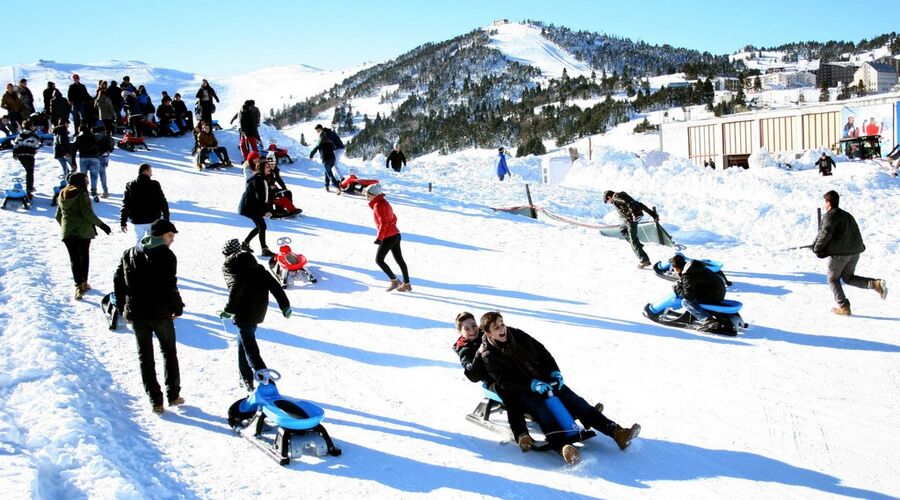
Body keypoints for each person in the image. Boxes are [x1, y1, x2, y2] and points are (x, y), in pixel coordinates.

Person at [477, 312, 640, 464]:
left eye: (502, 324)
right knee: (543, 411)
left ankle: (616, 432)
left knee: (577, 402)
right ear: (488, 333)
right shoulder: (488, 354)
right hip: (521, 390)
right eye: (496, 327)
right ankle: (563, 447)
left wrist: (555, 372)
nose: (502, 329)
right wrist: (531, 385)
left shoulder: (516, 334)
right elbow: (505, 381)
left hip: (542, 378)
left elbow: (542, 352)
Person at [113, 219, 184, 413]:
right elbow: (170, 286)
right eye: (170, 236)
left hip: (136, 313)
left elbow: (118, 282)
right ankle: (173, 394)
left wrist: (122, 308)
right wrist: (178, 309)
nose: (172, 240)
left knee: (145, 357)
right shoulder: (167, 256)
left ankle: (156, 400)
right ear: (160, 235)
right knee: (169, 352)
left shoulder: (129, 253)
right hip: (160, 313)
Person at [219, 238, 292, 391]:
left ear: (226, 254)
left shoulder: (230, 266)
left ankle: (264, 378)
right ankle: (245, 378)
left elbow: (235, 288)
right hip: (258, 311)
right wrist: (285, 305)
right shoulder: (257, 267)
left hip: (242, 312)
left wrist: (228, 310)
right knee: (243, 345)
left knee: (250, 347)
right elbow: (275, 286)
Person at [452, 312, 532, 450]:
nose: (472, 330)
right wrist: (478, 353)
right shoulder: (465, 349)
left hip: (510, 371)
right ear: (460, 331)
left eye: (473, 325)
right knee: (510, 397)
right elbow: (473, 375)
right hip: (492, 381)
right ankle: (521, 434)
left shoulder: (486, 332)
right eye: (466, 328)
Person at [812, 190, 887, 315]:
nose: (824, 205)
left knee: (833, 279)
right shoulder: (847, 215)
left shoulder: (830, 215)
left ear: (828, 202)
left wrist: (818, 248)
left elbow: (825, 233)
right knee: (848, 277)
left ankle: (844, 306)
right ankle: (875, 284)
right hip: (854, 252)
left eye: (825, 202)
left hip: (840, 255)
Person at [55, 172, 112, 299]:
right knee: (84, 256)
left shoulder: (62, 193)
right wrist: (103, 226)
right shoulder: (81, 193)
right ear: (81, 181)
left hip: (68, 232)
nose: (87, 182)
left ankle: (78, 285)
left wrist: (66, 226)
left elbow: (57, 216)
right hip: (83, 231)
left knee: (74, 259)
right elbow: (88, 214)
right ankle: (84, 283)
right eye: (86, 180)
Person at [365, 183, 411, 292]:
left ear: (374, 195)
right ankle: (406, 284)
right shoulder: (383, 202)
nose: (367, 196)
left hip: (388, 236)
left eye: (368, 194)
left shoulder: (378, 205)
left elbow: (383, 223)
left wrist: (380, 238)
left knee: (379, 260)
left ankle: (394, 280)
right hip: (395, 234)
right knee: (399, 260)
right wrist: (392, 227)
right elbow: (394, 217)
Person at [667, 254, 727, 330]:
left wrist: (678, 289)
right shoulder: (693, 268)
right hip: (716, 292)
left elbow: (688, 295)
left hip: (713, 295)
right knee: (689, 298)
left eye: (673, 269)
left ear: (677, 268)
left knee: (686, 302)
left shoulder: (688, 275)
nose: (673, 271)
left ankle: (707, 319)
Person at [603, 190, 659, 268]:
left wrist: (634, 215)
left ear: (609, 197)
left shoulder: (617, 197)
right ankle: (637, 245)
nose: (609, 203)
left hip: (631, 220)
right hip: (628, 220)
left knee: (633, 240)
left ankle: (644, 259)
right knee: (622, 230)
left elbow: (629, 203)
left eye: (607, 201)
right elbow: (640, 205)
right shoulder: (619, 197)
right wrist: (653, 214)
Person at [120, 163, 171, 249]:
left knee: (139, 242)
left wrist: (123, 221)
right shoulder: (154, 184)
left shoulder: (130, 185)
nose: (151, 174)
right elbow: (162, 201)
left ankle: (138, 259)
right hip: (153, 219)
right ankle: (151, 260)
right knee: (153, 243)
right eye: (150, 171)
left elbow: (126, 204)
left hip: (138, 220)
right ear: (145, 171)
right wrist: (166, 218)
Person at [238, 159, 275, 257]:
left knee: (260, 226)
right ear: (261, 168)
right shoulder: (258, 179)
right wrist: (265, 210)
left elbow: (263, 196)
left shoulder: (260, 178)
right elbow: (260, 197)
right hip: (249, 206)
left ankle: (245, 244)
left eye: (269, 166)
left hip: (251, 206)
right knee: (262, 226)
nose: (269, 169)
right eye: (267, 167)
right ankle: (264, 249)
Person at [71, 124, 105, 200]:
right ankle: (94, 191)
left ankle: (84, 192)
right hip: (94, 158)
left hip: (83, 158)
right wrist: (99, 154)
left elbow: (73, 150)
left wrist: (73, 162)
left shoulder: (79, 138)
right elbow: (101, 145)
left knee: (83, 176)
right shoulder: (94, 137)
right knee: (94, 176)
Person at [11, 120, 42, 195]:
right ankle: (29, 188)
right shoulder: (35, 136)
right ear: (31, 126)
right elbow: (37, 146)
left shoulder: (20, 135)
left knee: (28, 171)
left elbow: (16, 145)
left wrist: (15, 154)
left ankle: (29, 187)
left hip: (21, 156)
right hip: (29, 156)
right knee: (30, 172)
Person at [308, 128, 342, 193]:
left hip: (326, 159)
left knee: (330, 174)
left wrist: (311, 156)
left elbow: (314, 150)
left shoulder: (320, 142)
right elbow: (334, 147)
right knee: (327, 171)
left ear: (320, 136)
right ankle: (326, 186)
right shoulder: (330, 142)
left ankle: (337, 186)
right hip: (332, 159)